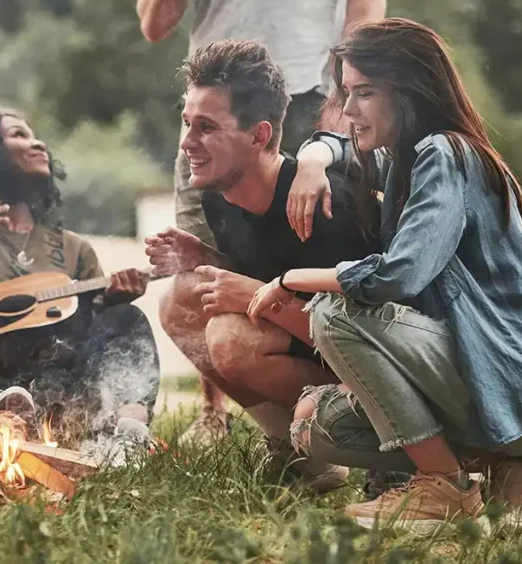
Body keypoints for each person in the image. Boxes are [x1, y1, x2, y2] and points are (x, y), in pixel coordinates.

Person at [247, 18, 522, 533]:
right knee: (320, 426)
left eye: (364, 93)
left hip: (518, 383)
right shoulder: (407, 158)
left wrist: (292, 278)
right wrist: (315, 158)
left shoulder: (445, 154)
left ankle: (446, 489)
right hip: (495, 384)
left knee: (335, 314)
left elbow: (399, 276)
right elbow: (346, 147)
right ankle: (516, 475)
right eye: (346, 92)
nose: (349, 109)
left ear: (409, 92)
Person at [138, 0, 386, 433]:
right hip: (216, 109)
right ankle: (244, 422)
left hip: (306, 99)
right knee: (196, 281)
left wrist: (347, 97)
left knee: (316, 256)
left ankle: (361, 418)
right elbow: (154, 23)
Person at [147, 39, 381, 491]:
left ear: (259, 135)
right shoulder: (219, 196)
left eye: (207, 128)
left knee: (230, 337)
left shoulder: (323, 205)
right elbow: (266, 275)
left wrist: (260, 302)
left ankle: (365, 450)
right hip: (311, 345)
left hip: (375, 373)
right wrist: (205, 259)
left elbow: (369, 340)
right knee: (182, 297)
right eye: (186, 123)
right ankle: (300, 458)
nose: (187, 143)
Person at [0, 111, 160, 459]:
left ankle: (127, 437)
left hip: (61, 388)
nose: (38, 143)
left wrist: (111, 300)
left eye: (34, 135)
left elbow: (93, 334)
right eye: (19, 135)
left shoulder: (74, 249)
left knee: (127, 319)